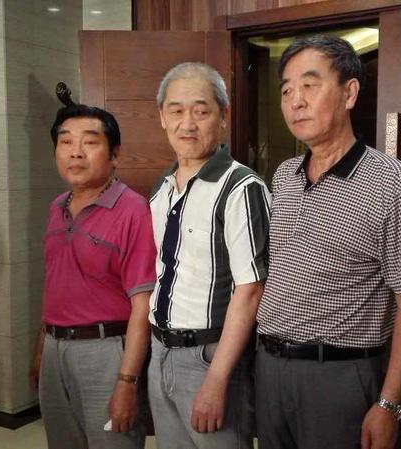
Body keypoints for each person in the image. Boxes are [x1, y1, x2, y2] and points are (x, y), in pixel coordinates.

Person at [255, 35, 401, 449]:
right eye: (286, 91)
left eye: (309, 85)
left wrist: (389, 404)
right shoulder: (284, 175)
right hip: (268, 367)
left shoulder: (394, 183)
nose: (296, 101)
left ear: (349, 93)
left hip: (337, 376)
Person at [147, 62, 270, 449]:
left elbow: (252, 290)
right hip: (160, 351)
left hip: (209, 357)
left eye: (201, 111)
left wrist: (216, 379)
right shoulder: (162, 188)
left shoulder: (241, 187)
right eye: (176, 111)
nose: (187, 124)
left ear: (223, 116)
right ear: (162, 117)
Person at [29, 87, 157, 449]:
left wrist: (127, 382)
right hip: (55, 349)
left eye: (89, 142)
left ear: (115, 155)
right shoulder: (57, 206)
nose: (76, 152)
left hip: (106, 351)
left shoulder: (133, 210)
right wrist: (41, 350)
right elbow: (55, 284)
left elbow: (142, 306)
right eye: (65, 142)